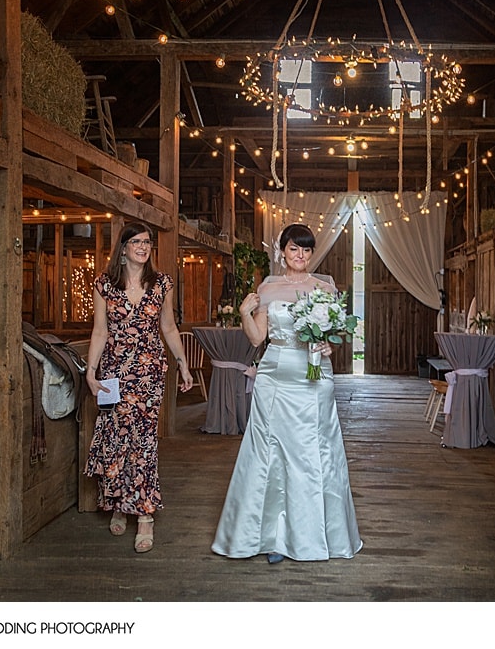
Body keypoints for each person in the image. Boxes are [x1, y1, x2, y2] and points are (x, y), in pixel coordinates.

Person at [212, 223, 362, 563]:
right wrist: (243, 314)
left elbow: (332, 338)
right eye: (295, 249)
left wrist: (327, 345)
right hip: (275, 375)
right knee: (271, 452)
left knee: (314, 451)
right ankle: (272, 535)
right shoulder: (268, 287)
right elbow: (255, 338)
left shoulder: (324, 286)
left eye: (307, 250)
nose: (301, 256)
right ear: (282, 251)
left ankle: (315, 534)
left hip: (313, 377)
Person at [84, 222, 194, 553]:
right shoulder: (104, 285)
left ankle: (145, 515)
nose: (143, 247)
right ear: (123, 248)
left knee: (144, 441)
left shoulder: (162, 284)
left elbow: (169, 327)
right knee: (117, 439)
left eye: (147, 242)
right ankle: (120, 503)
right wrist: (91, 372)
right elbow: (99, 331)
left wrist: (183, 363)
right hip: (115, 372)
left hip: (148, 374)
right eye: (136, 242)